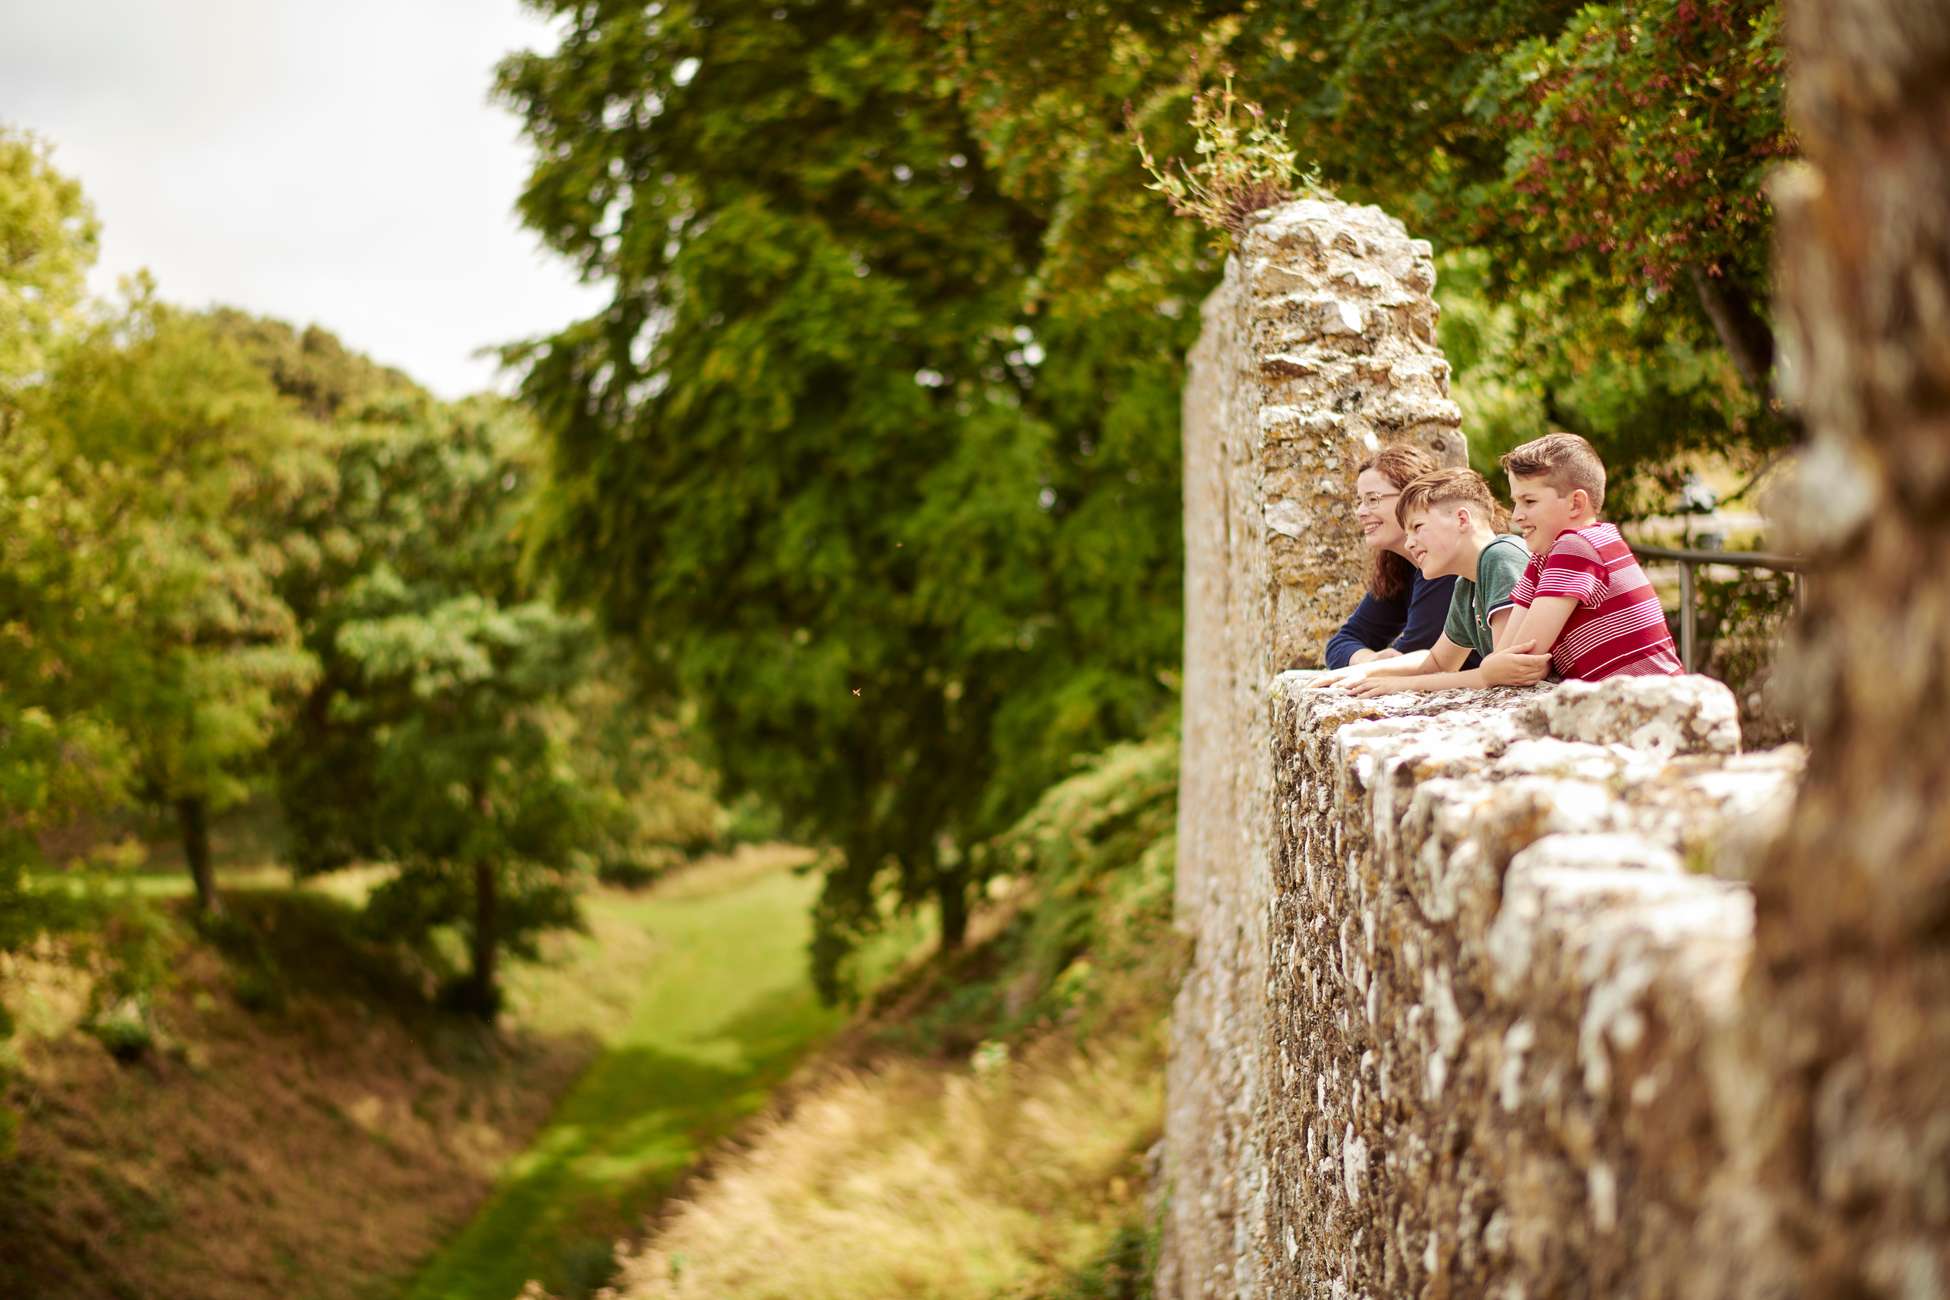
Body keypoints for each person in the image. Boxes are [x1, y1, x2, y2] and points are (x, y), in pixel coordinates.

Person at [1312, 468, 1551, 695]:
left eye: (1417, 527)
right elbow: (1437, 661)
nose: (1409, 543)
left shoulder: (1499, 556)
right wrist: (1361, 671)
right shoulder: (1467, 584)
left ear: (1461, 520)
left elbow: (1501, 674)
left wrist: (1398, 685)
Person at [1501, 432, 1684, 680]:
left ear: (1576, 504)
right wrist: (1497, 667)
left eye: (1529, 501)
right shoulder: (1547, 555)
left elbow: (1514, 663)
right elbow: (1507, 657)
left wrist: (1491, 669)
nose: (1516, 515)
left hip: (1652, 709)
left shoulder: (1577, 547)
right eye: (1515, 502)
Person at [1320, 445, 1461, 670]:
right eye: (1360, 501)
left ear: (1413, 498)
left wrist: (1378, 664)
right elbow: (1340, 643)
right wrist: (1368, 659)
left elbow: (1411, 660)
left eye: (1373, 499)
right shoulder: (1399, 567)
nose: (1360, 512)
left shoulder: (1448, 565)